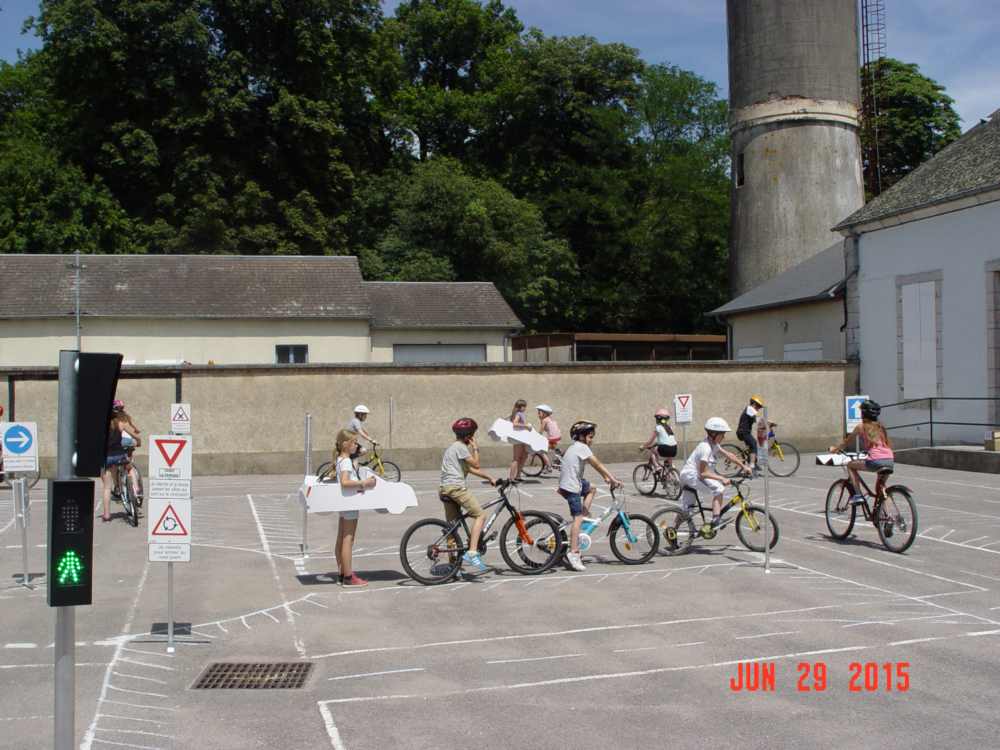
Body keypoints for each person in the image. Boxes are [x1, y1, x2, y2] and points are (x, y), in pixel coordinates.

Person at [558, 420, 622, 572]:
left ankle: (584, 519)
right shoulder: (582, 447)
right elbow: (596, 464)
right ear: (581, 437)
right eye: (590, 437)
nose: (592, 440)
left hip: (573, 483)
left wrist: (605, 477)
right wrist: (612, 478)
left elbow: (594, 467)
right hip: (571, 487)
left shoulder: (576, 447)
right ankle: (573, 554)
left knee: (591, 489)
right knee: (577, 519)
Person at [440, 418, 497, 574]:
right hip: (457, 489)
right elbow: (476, 464)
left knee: (452, 528)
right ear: (468, 436)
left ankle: (453, 566)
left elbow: (470, 470)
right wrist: (476, 448)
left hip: (445, 489)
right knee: (480, 515)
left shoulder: (453, 448)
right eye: (473, 435)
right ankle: (472, 552)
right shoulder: (461, 447)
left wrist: (490, 478)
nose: (473, 438)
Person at [679, 417, 750, 527]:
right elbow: (703, 473)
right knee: (719, 488)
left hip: (695, 475)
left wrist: (743, 466)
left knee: (687, 510)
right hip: (691, 475)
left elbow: (729, 455)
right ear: (713, 434)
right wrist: (722, 478)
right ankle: (715, 520)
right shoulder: (705, 448)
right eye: (722, 434)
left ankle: (672, 530)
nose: (724, 437)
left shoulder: (713, 444)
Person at [829, 400, 894, 504]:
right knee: (881, 488)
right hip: (889, 460)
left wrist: (835, 449)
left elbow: (846, 442)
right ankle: (886, 515)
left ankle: (858, 495)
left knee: (850, 465)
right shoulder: (881, 427)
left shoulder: (861, 427)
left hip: (875, 461)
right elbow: (884, 444)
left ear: (863, 414)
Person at [334, 429, 376, 586]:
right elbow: (345, 482)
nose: (356, 445)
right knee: (348, 540)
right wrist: (364, 483)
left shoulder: (340, 459)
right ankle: (348, 577)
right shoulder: (345, 461)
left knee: (341, 538)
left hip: (345, 503)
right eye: (354, 443)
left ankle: (342, 572)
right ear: (346, 444)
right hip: (350, 502)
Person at [99, 400, 142, 523]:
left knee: (107, 487)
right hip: (119, 455)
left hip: (106, 457)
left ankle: (107, 515)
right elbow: (135, 435)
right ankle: (135, 488)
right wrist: (138, 441)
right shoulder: (120, 423)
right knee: (130, 468)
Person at [736, 395, 765, 473]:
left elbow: (757, 419)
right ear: (753, 404)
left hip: (745, 432)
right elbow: (759, 419)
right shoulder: (750, 409)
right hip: (743, 432)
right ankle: (752, 466)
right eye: (758, 406)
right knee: (754, 443)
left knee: (752, 446)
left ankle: (754, 462)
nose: (758, 408)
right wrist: (769, 423)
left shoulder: (750, 410)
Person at [507, 399, 530, 481]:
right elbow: (514, 423)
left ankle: (518, 476)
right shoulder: (519, 414)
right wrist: (526, 426)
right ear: (520, 407)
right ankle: (511, 478)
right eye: (524, 406)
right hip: (518, 439)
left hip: (522, 438)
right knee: (516, 458)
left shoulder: (518, 414)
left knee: (524, 456)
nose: (525, 408)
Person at [536, 404, 561, 474]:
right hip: (557, 437)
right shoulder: (550, 419)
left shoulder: (544, 420)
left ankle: (549, 467)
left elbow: (541, 431)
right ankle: (556, 459)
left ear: (544, 413)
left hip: (552, 438)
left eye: (539, 413)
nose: (538, 415)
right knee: (551, 449)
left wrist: (536, 437)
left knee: (541, 451)